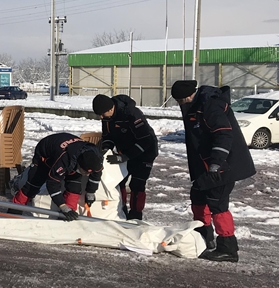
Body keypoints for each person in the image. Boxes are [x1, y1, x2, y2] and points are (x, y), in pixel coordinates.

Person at [171, 80, 255, 263]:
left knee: (218, 203)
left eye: (179, 101)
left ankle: (228, 247)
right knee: (198, 194)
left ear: (186, 97)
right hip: (206, 164)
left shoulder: (210, 105)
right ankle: (203, 235)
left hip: (224, 165)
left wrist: (216, 163)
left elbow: (224, 134)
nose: (179, 105)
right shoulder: (195, 106)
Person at [92, 94, 159, 220]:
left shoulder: (132, 114)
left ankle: (136, 214)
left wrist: (126, 157)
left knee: (137, 184)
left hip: (145, 150)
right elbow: (108, 136)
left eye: (102, 114)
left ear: (110, 109)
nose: (101, 117)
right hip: (125, 150)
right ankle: (120, 209)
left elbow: (146, 140)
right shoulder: (106, 118)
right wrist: (106, 149)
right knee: (119, 180)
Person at [10, 133, 103, 221]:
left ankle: (68, 215)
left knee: (74, 187)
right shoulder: (64, 160)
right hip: (45, 155)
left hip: (72, 155)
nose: (86, 175)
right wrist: (62, 206)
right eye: (85, 172)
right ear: (79, 165)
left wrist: (91, 192)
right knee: (34, 183)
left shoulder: (96, 157)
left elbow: (97, 174)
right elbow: (52, 183)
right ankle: (15, 209)